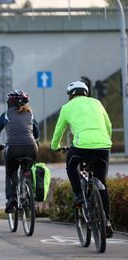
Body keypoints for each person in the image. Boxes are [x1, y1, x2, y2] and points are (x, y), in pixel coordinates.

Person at [50, 80, 114, 237]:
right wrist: (106, 142)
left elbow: (59, 129)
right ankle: (107, 222)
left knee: (71, 165)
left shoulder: (67, 107)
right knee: (102, 183)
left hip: (82, 146)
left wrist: (54, 146)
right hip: (103, 146)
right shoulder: (97, 103)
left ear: (71, 96)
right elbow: (109, 125)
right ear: (86, 93)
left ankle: (78, 194)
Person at [0, 89, 39, 213]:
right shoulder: (31, 114)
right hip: (31, 148)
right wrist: (35, 142)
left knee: (10, 174)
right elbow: (36, 133)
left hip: (13, 149)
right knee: (28, 170)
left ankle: (11, 198)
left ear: (11, 102)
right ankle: (29, 191)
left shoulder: (6, 115)